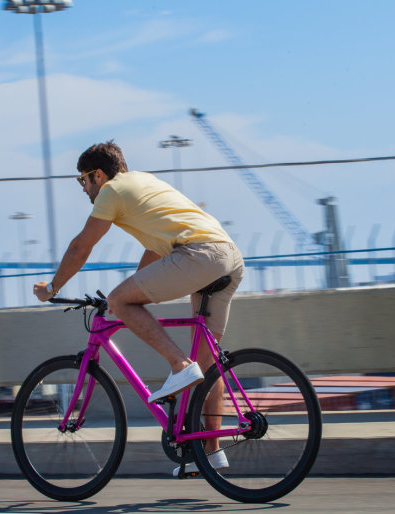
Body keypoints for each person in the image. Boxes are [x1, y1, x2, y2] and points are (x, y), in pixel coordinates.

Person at [34, 141, 244, 474]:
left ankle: (178, 364)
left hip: (200, 255)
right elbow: (155, 252)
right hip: (229, 257)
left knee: (125, 303)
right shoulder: (144, 183)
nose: (83, 188)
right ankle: (210, 452)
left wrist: (53, 287)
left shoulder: (111, 191)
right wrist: (131, 294)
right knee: (209, 362)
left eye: (82, 181)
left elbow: (81, 247)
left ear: (97, 175)